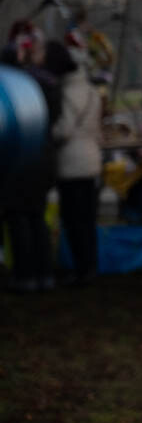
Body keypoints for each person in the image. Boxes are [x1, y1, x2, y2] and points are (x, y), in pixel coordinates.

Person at [1, 25, 60, 293]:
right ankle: (44, 273)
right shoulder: (48, 83)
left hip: (19, 160)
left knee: (19, 220)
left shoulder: (13, 87)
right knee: (36, 217)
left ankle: (25, 275)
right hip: (41, 160)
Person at [44, 40, 103, 284]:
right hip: (91, 160)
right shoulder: (90, 90)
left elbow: (64, 130)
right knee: (88, 220)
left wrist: (47, 133)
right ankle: (90, 266)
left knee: (74, 220)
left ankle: (81, 270)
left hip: (71, 164)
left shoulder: (68, 93)